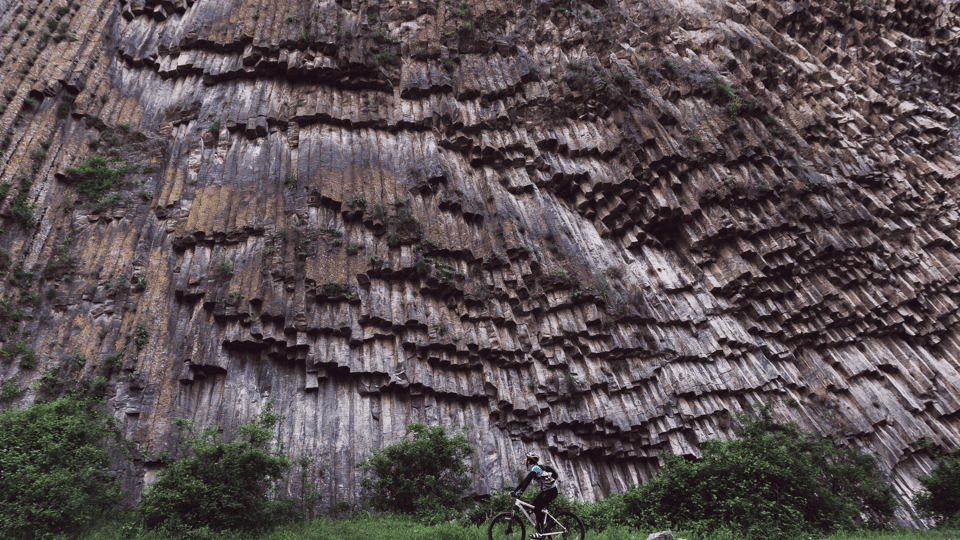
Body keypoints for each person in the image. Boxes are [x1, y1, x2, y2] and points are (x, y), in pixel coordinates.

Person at [511, 451, 558, 538]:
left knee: (537, 509)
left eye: (526, 459)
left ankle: (540, 534)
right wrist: (515, 490)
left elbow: (528, 481)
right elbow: (525, 481)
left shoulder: (535, 468)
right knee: (533, 507)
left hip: (551, 491)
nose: (525, 461)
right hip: (547, 491)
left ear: (528, 461)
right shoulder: (535, 468)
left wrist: (520, 492)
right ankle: (550, 523)